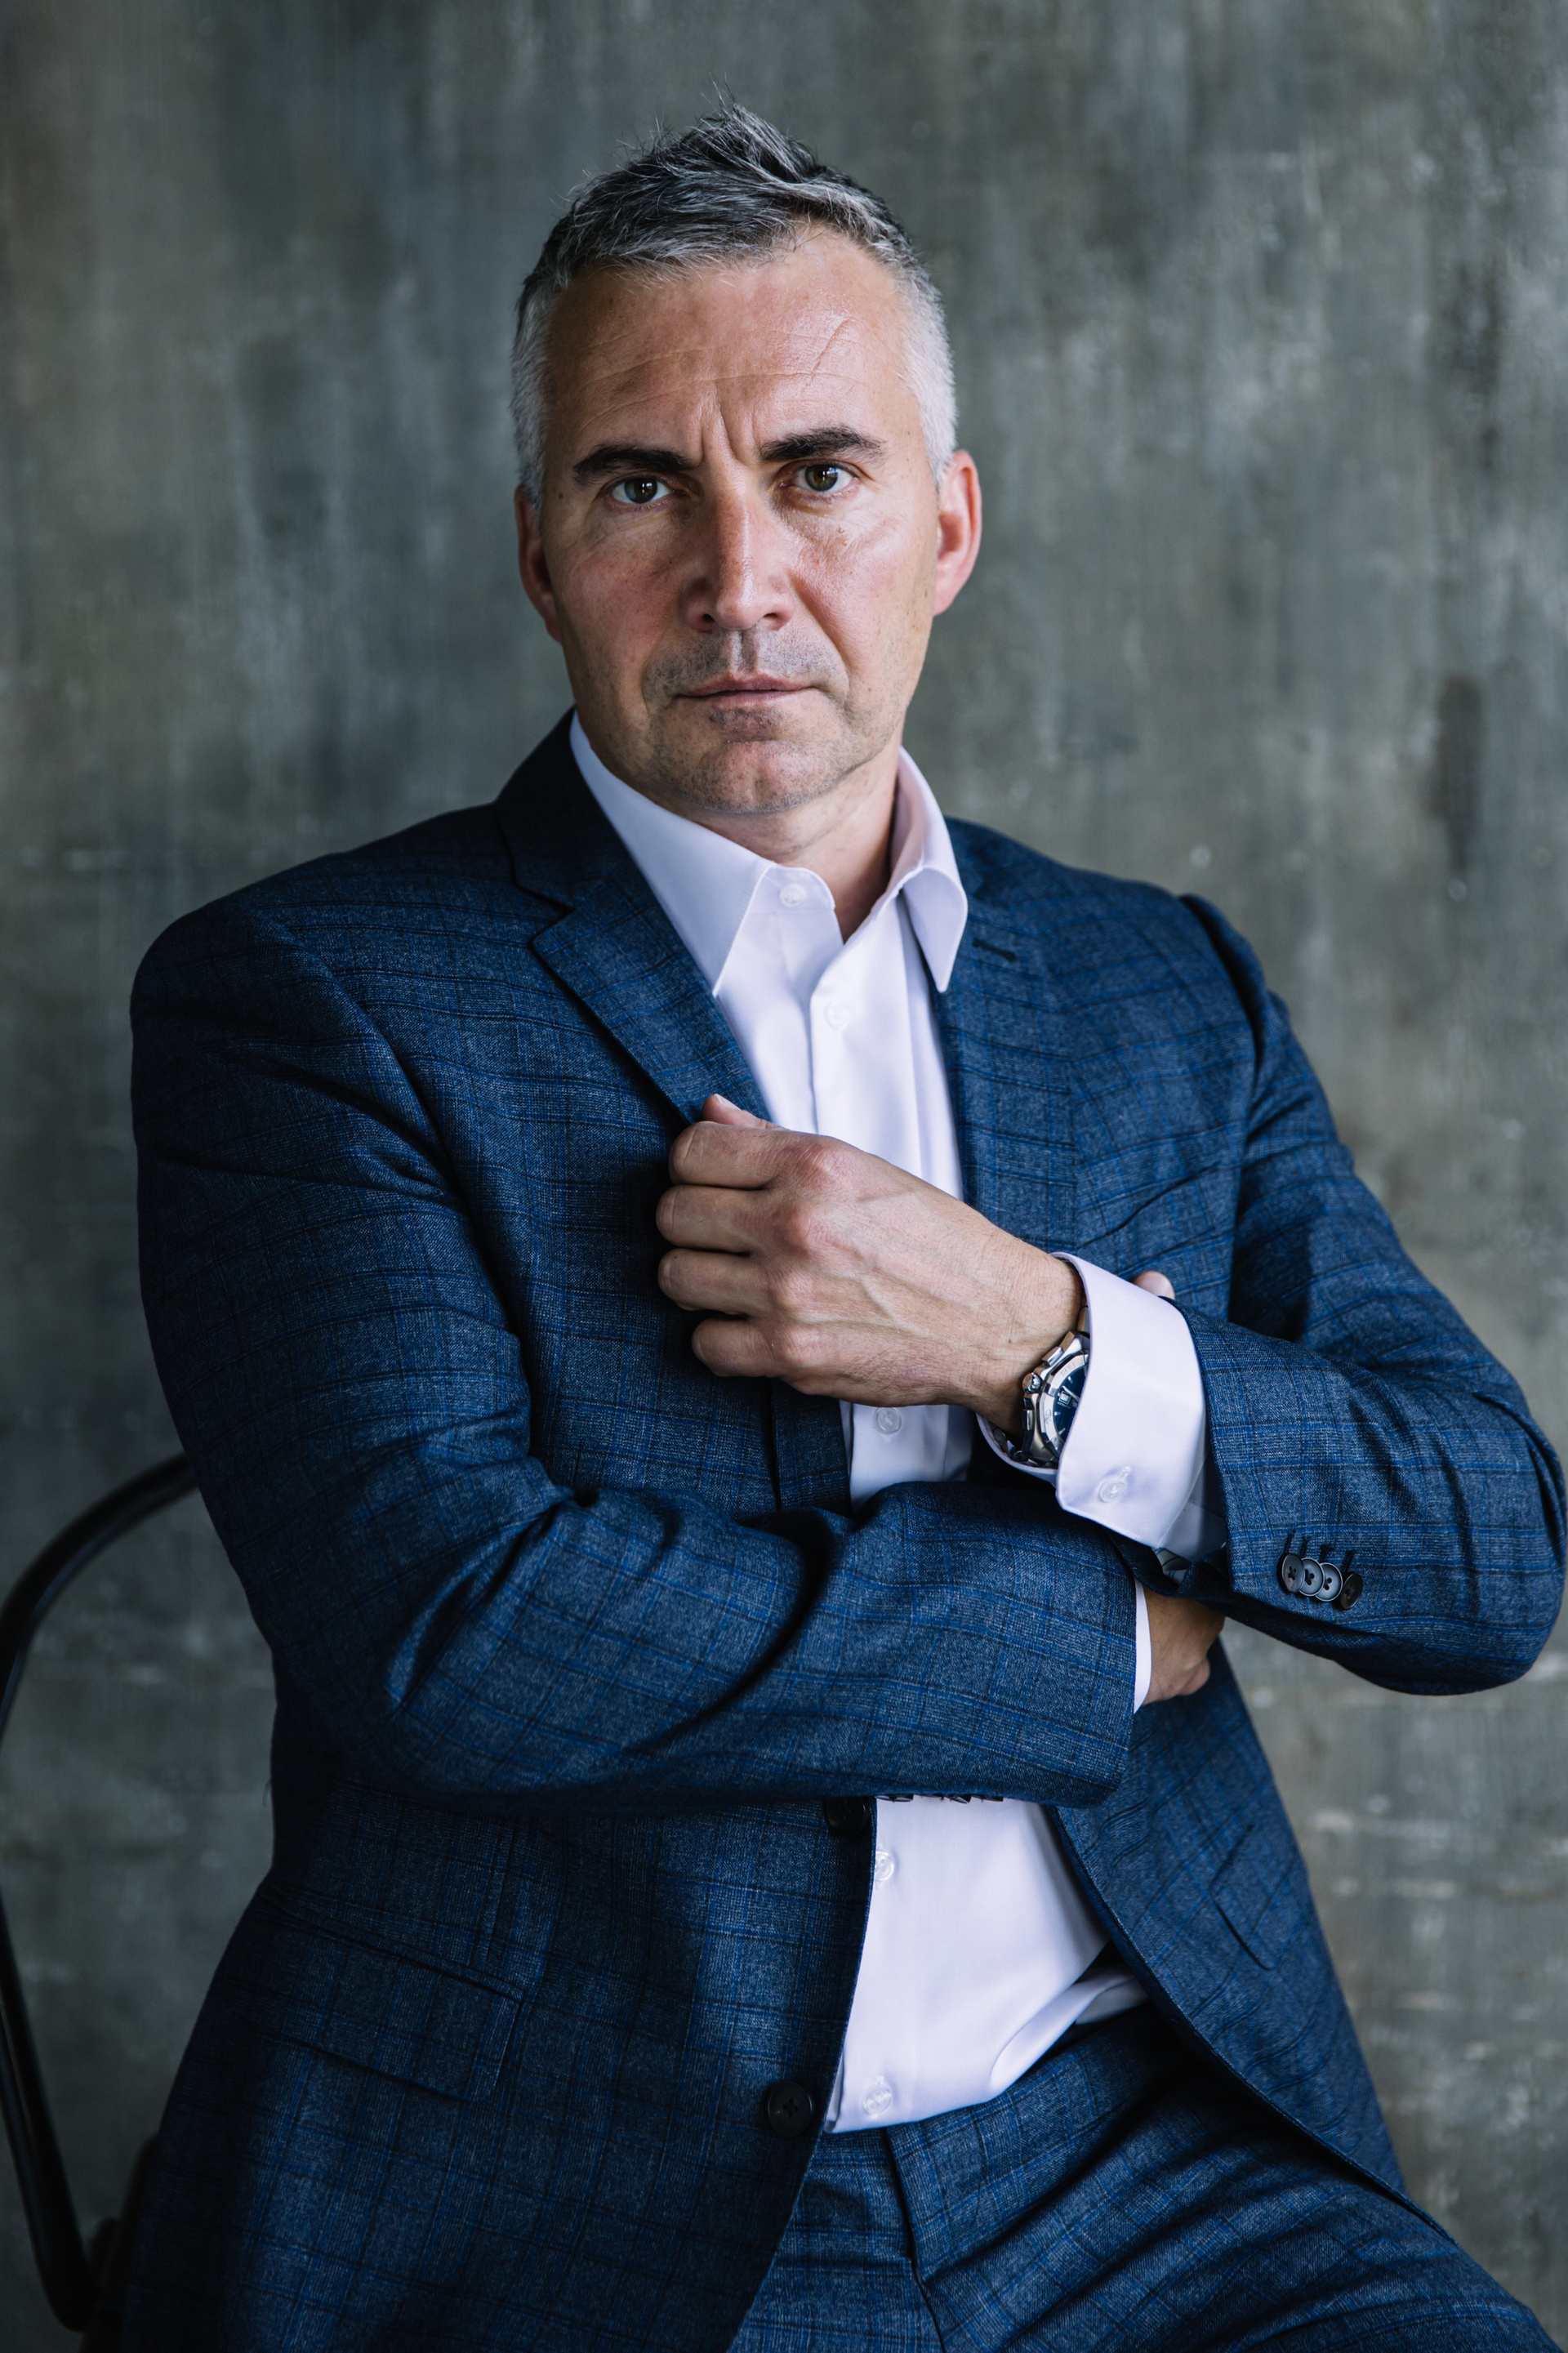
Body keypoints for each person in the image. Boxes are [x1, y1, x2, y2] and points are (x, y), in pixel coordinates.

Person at [123, 107, 1562, 2353]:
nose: (740, 578)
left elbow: (1490, 1555)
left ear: (948, 525)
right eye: (640, 486)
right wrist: (1103, 1639)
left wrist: (1034, 1335)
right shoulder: (308, 1001)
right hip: (587, 2207)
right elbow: (456, 1635)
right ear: (538, 552)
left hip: (1151, 2161)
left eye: (817, 472)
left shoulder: (1159, 987)